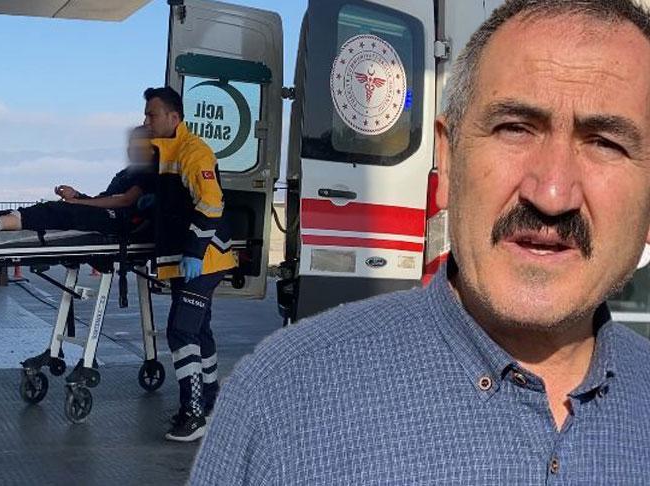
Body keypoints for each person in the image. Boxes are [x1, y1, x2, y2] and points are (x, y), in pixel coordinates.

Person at [191, 0, 650, 483]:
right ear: (446, 162)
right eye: (515, 128)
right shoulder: (279, 404)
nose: (552, 194)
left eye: (606, 143)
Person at [142, 86, 237, 442]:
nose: (146, 121)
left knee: (181, 331)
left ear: (174, 117)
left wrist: (196, 251)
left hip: (205, 259)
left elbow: (211, 202)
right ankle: (210, 403)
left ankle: (194, 413)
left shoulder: (193, 151)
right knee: (198, 331)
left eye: (152, 115)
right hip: (190, 260)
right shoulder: (167, 153)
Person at [0, 125, 157, 236]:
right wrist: (78, 196)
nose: (132, 149)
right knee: (52, 207)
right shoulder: (127, 173)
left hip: (120, 222)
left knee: (58, 210)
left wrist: (78, 202)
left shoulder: (150, 174)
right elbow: (106, 199)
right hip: (108, 214)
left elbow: (124, 201)